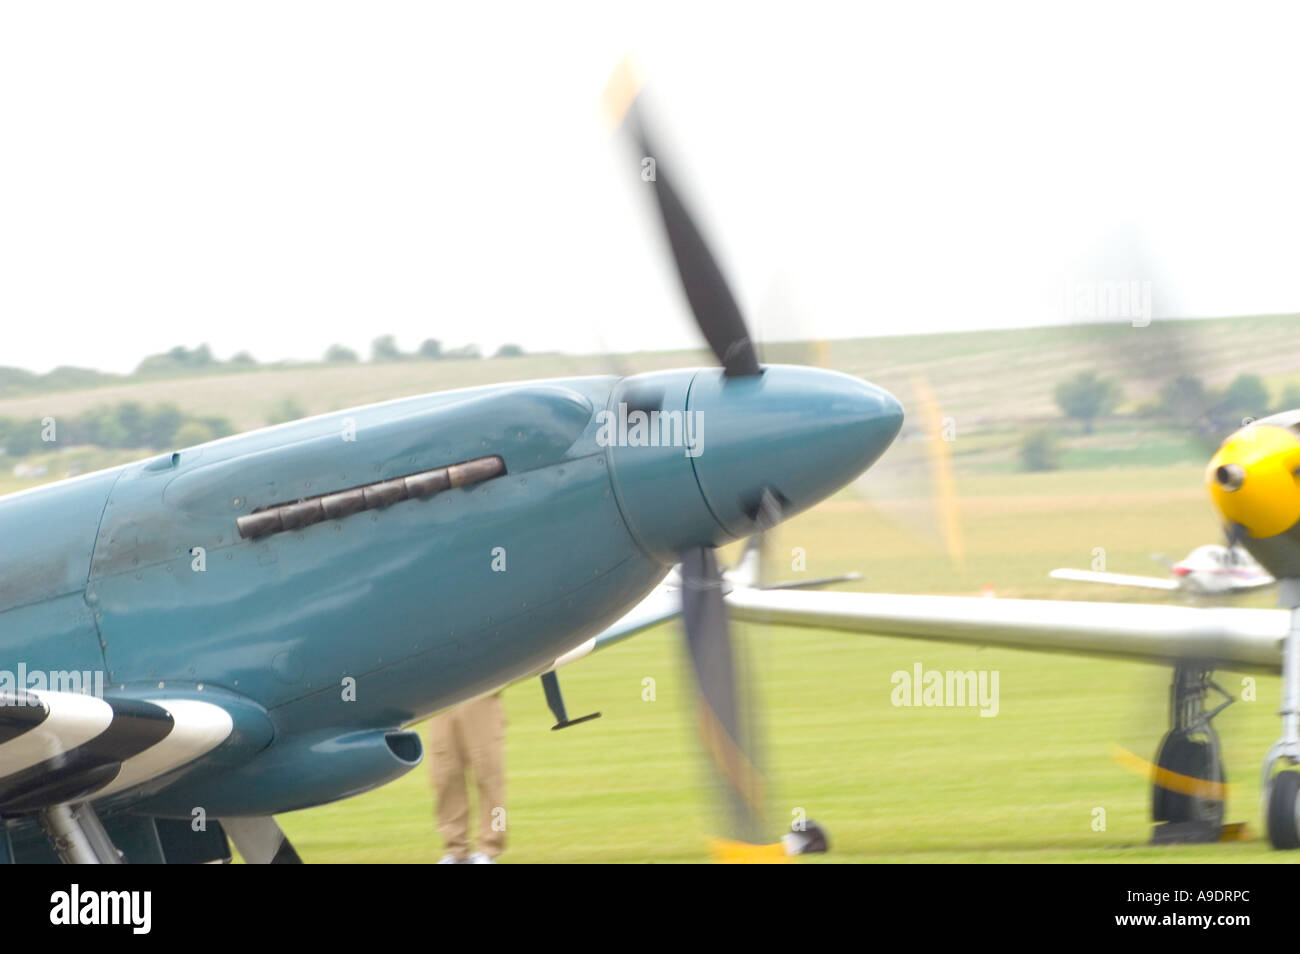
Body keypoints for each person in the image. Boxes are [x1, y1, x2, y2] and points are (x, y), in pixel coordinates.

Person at [428, 691, 507, 864]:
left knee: (488, 775)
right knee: (445, 774)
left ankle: (489, 849)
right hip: (442, 695)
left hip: (481, 689)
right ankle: (455, 851)